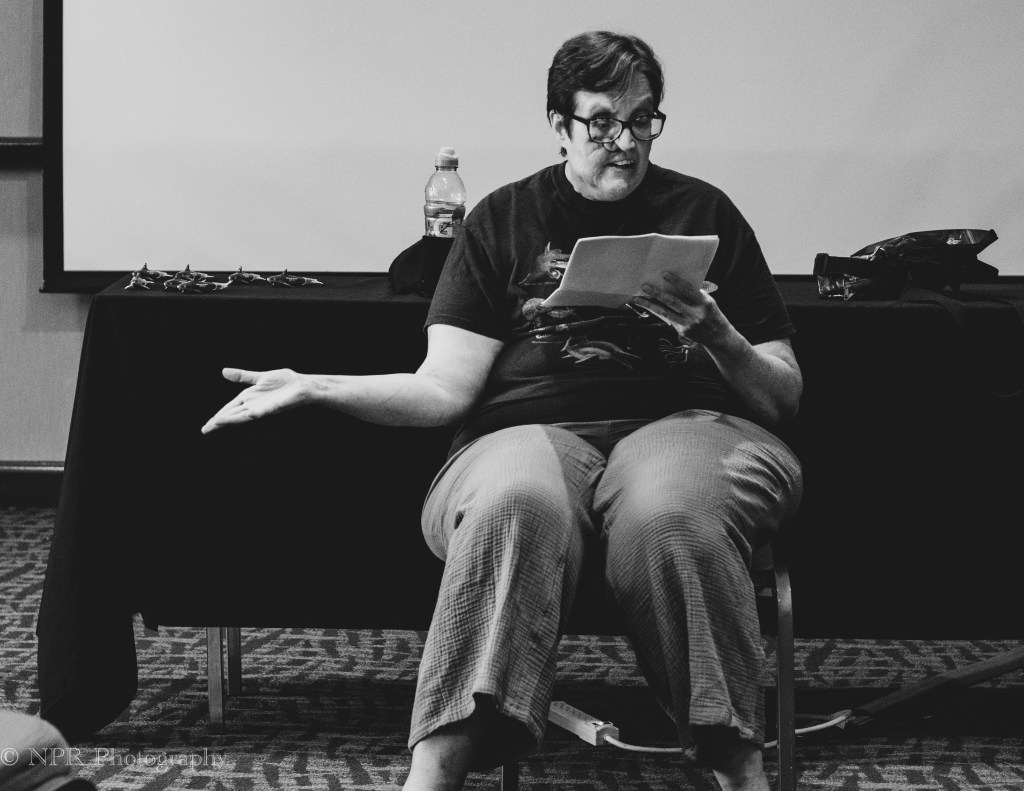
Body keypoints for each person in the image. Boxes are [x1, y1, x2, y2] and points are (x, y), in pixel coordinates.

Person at [202, 30, 803, 791]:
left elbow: (782, 394)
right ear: (559, 125)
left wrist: (716, 332)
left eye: (642, 120)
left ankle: (737, 766)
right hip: (527, 430)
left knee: (671, 514)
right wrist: (318, 385)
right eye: (601, 122)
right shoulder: (503, 219)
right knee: (516, 503)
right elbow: (442, 391)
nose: (625, 143)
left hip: (687, 428)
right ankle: (436, 771)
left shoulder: (703, 211)